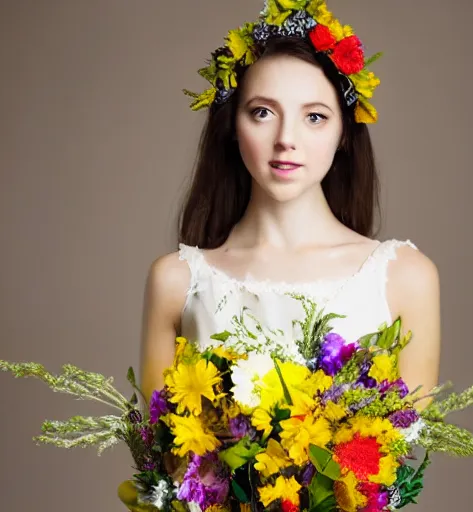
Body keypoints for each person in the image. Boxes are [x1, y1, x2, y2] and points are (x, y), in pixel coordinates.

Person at [139, 1, 441, 412]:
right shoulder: (176, 281)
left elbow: (400, 459)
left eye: (314, 117)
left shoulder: (405, 277)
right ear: (232, 127)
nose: (286, 139)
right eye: (262, 112)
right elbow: (167, 465)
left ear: (345, 134)